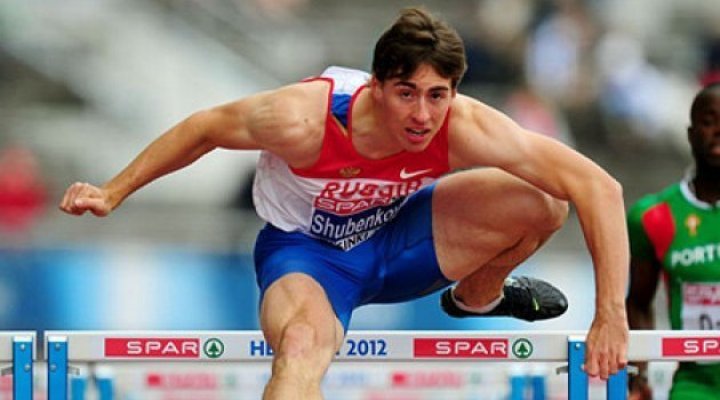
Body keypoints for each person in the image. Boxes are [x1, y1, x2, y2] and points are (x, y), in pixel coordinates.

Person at [59, 7, 629, 400]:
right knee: (302, 347)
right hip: (309, 257)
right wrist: (114, 190)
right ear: (375, 86)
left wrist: (611, 315)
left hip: (405, 239)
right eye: (406, 94)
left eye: (437, 96)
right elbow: (203, 129)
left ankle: (479, 298)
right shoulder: (301, 119)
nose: (422, 117)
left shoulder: (465, 126)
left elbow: (598, 186)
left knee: (544, 200)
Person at [626, 83, 720, 400]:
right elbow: (638, 302)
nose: (718, 131)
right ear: (691, 134)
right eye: (709, 121)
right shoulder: (654, 216)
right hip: (696, 386)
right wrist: (638, 375)